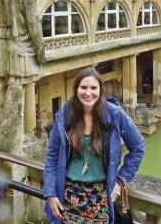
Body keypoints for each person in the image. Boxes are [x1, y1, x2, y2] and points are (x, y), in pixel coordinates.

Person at [43, 68, 145, 223]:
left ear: (100, 90)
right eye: (83, 87)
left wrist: (122, 179)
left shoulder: (115, 114)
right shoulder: (65, 114)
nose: (88, 93)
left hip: (99, 197)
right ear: (76, 89)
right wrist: (50, 194)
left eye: (93, 88)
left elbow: (138, 147)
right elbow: (52, 156)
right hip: (67, 195)